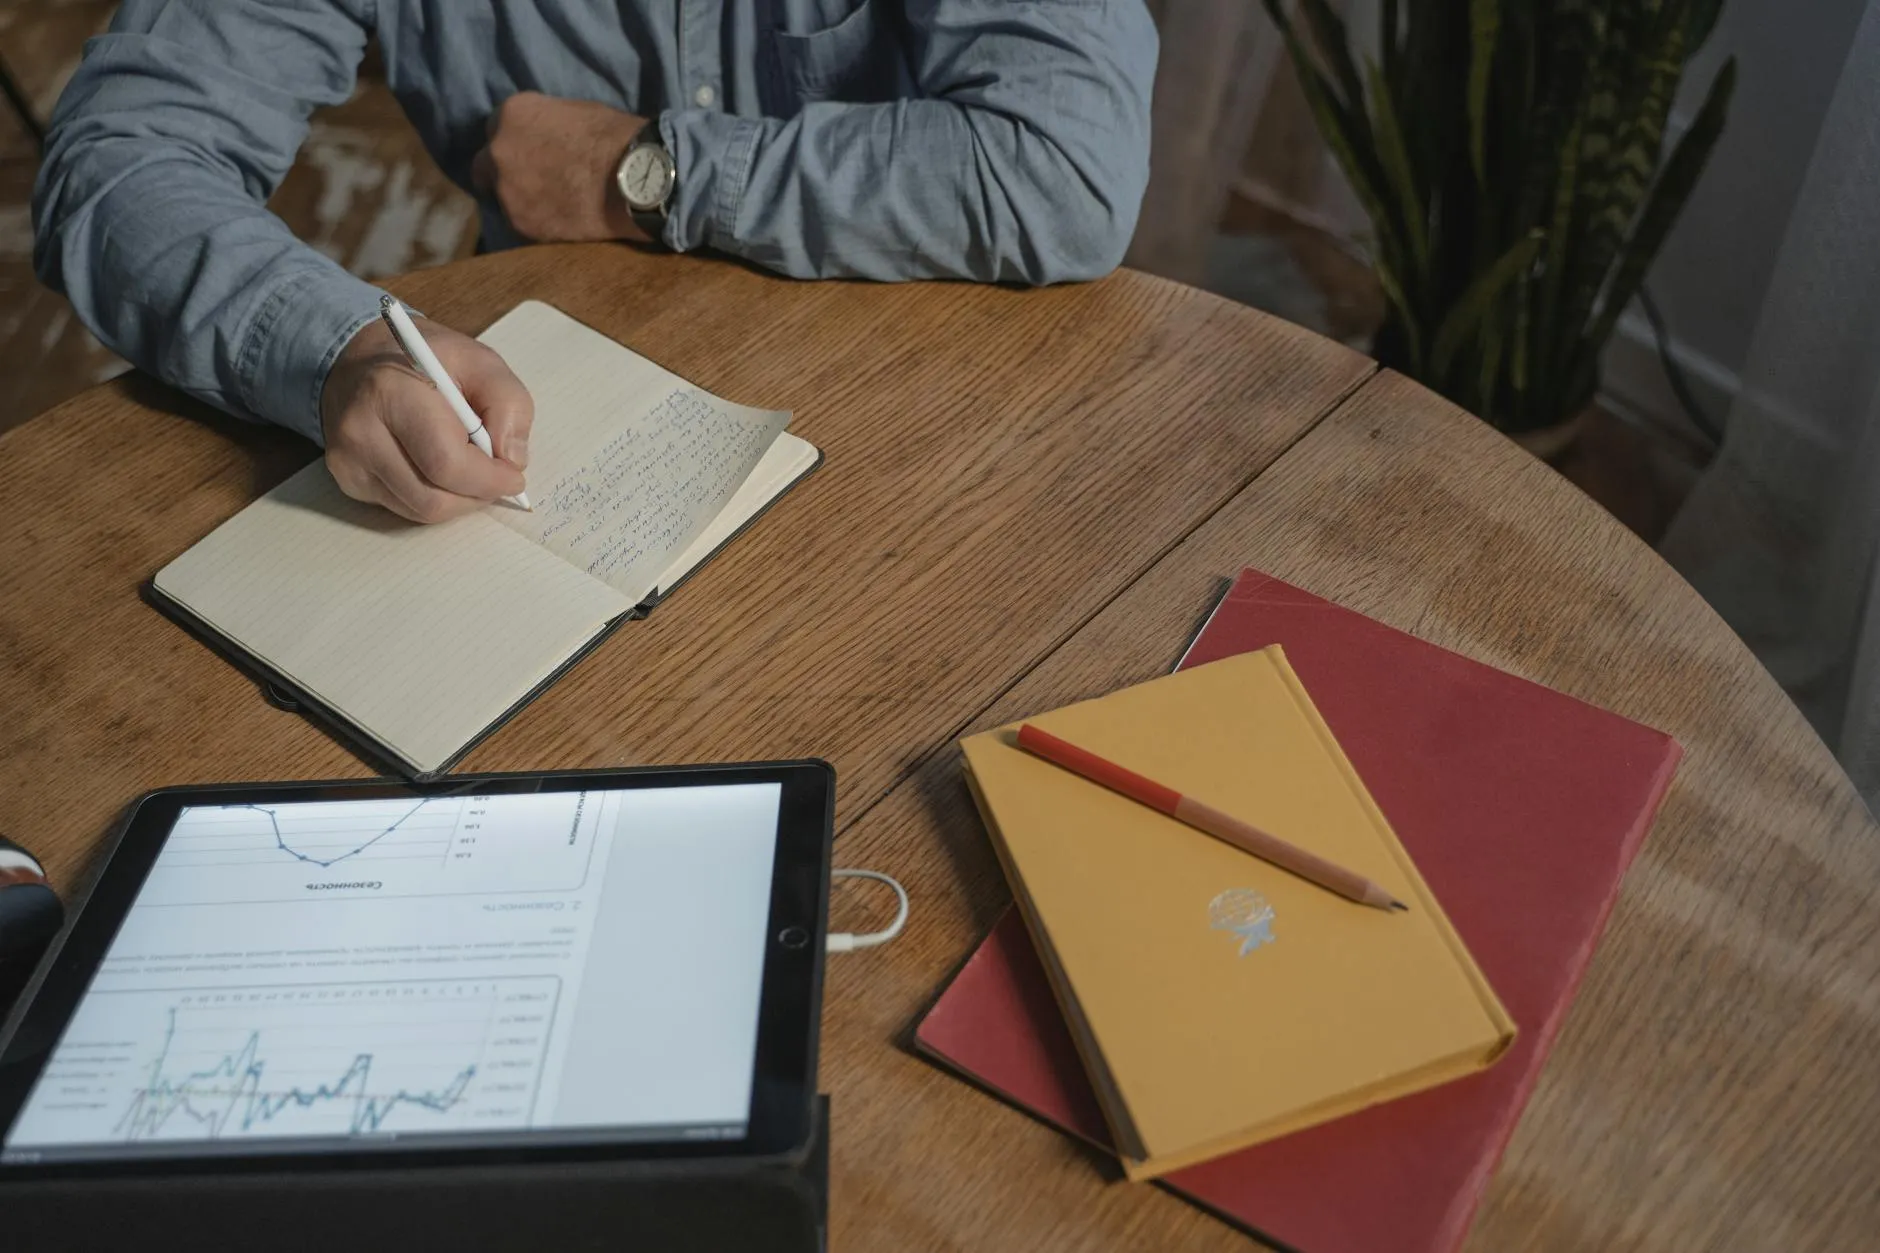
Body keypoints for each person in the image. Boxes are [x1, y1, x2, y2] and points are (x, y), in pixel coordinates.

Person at [33, 1, 1157, 523]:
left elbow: (1066, 168)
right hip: (553, 430)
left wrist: (648, 170)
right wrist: (339, 346)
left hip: (945, 431)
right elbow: (124, 156)